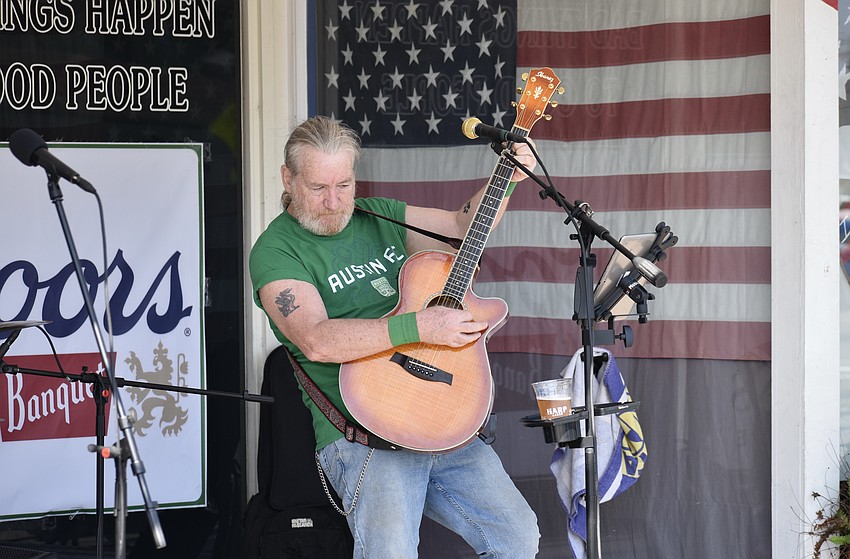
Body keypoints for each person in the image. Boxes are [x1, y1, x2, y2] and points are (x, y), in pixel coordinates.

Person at [250, 115, 540, 558]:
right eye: (318, 188)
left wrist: (510, 178)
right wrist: (421, 326)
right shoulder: (275, 250)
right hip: (363, 432)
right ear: (288, 178)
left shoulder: (379, 214)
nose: (333, 202)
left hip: (441, 416)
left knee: (517, 536)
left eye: (344, 185)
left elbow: (463, 229)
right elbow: (316, 340)